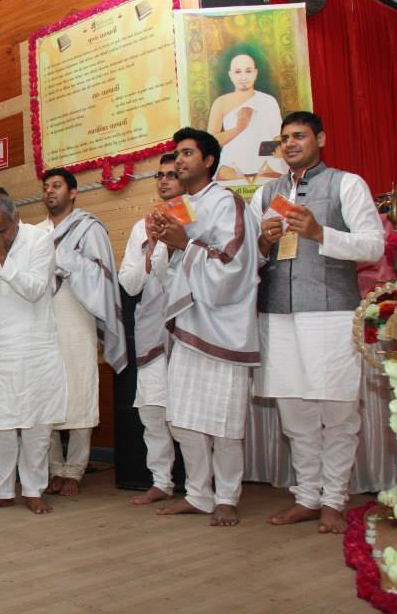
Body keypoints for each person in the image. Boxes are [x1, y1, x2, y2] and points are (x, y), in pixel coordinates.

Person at [252, 111, 384, 534]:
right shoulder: (266, 192)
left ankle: (334, 501)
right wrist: (263, 242)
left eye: (299, 136)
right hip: (278, 313)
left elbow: (373, 245)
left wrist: (319, 232)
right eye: (284, 138)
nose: (290, 144)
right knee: (295, 414)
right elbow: (249, 258)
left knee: (338, 411)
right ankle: (307, 497)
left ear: (320, 139)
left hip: (331, 312)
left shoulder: (346, 183)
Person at [152, 128, 261, 527]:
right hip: (188, 324)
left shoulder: (227, 202)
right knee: (183, 418)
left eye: (187, 153)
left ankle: (227, 497)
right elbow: (169, 272)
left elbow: (235, 265)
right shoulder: (180, 206)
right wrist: (165, 245)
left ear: (209, 160)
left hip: (222, 326)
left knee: (225, 422)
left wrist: (185, 244)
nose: (179, 161)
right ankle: (198, 494)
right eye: (176, 154)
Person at [0, 188, 66, 515]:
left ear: (17, 218)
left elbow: (35, 289)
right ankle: (3, 489)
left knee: (37, 423)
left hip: (36, 346)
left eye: (4, 230)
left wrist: (4, 259)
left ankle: (34, 489)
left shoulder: (39, 239)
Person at [37, 168, 126, 497]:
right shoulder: (36, 232)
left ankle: (74, 470)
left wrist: (65, 259)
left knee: (79, 388)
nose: (50, 191)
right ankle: (53, 468)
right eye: (46, 187)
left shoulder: (90, 228)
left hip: (77, 312)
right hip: (42, 320)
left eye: (57, 186)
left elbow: (101, 274)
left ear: (73, 192)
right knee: (45, 393)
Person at [119, 154, 183, 505]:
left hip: (190, 330)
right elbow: (129, 284)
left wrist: (171, 243)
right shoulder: (140, 228)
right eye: (159, 175)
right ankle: (161, 482)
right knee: (153, 412)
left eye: (172, 174)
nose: (164, 181)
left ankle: (205, 487)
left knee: (189, 416)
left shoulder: (196, 220)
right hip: (151, 328)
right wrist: (151, 248)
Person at [207, 53, 286, 181]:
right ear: (231, 75)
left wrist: (262, 158)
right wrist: (239, 128)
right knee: (225, 174)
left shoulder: (268, 101)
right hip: (231, 166)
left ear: (255, 73)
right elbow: (211, 142)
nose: (243, 77)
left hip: (264, 166)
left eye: (248, 71)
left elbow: (278, 138)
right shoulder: (221, 102)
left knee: (273, 175)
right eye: (238, 72)